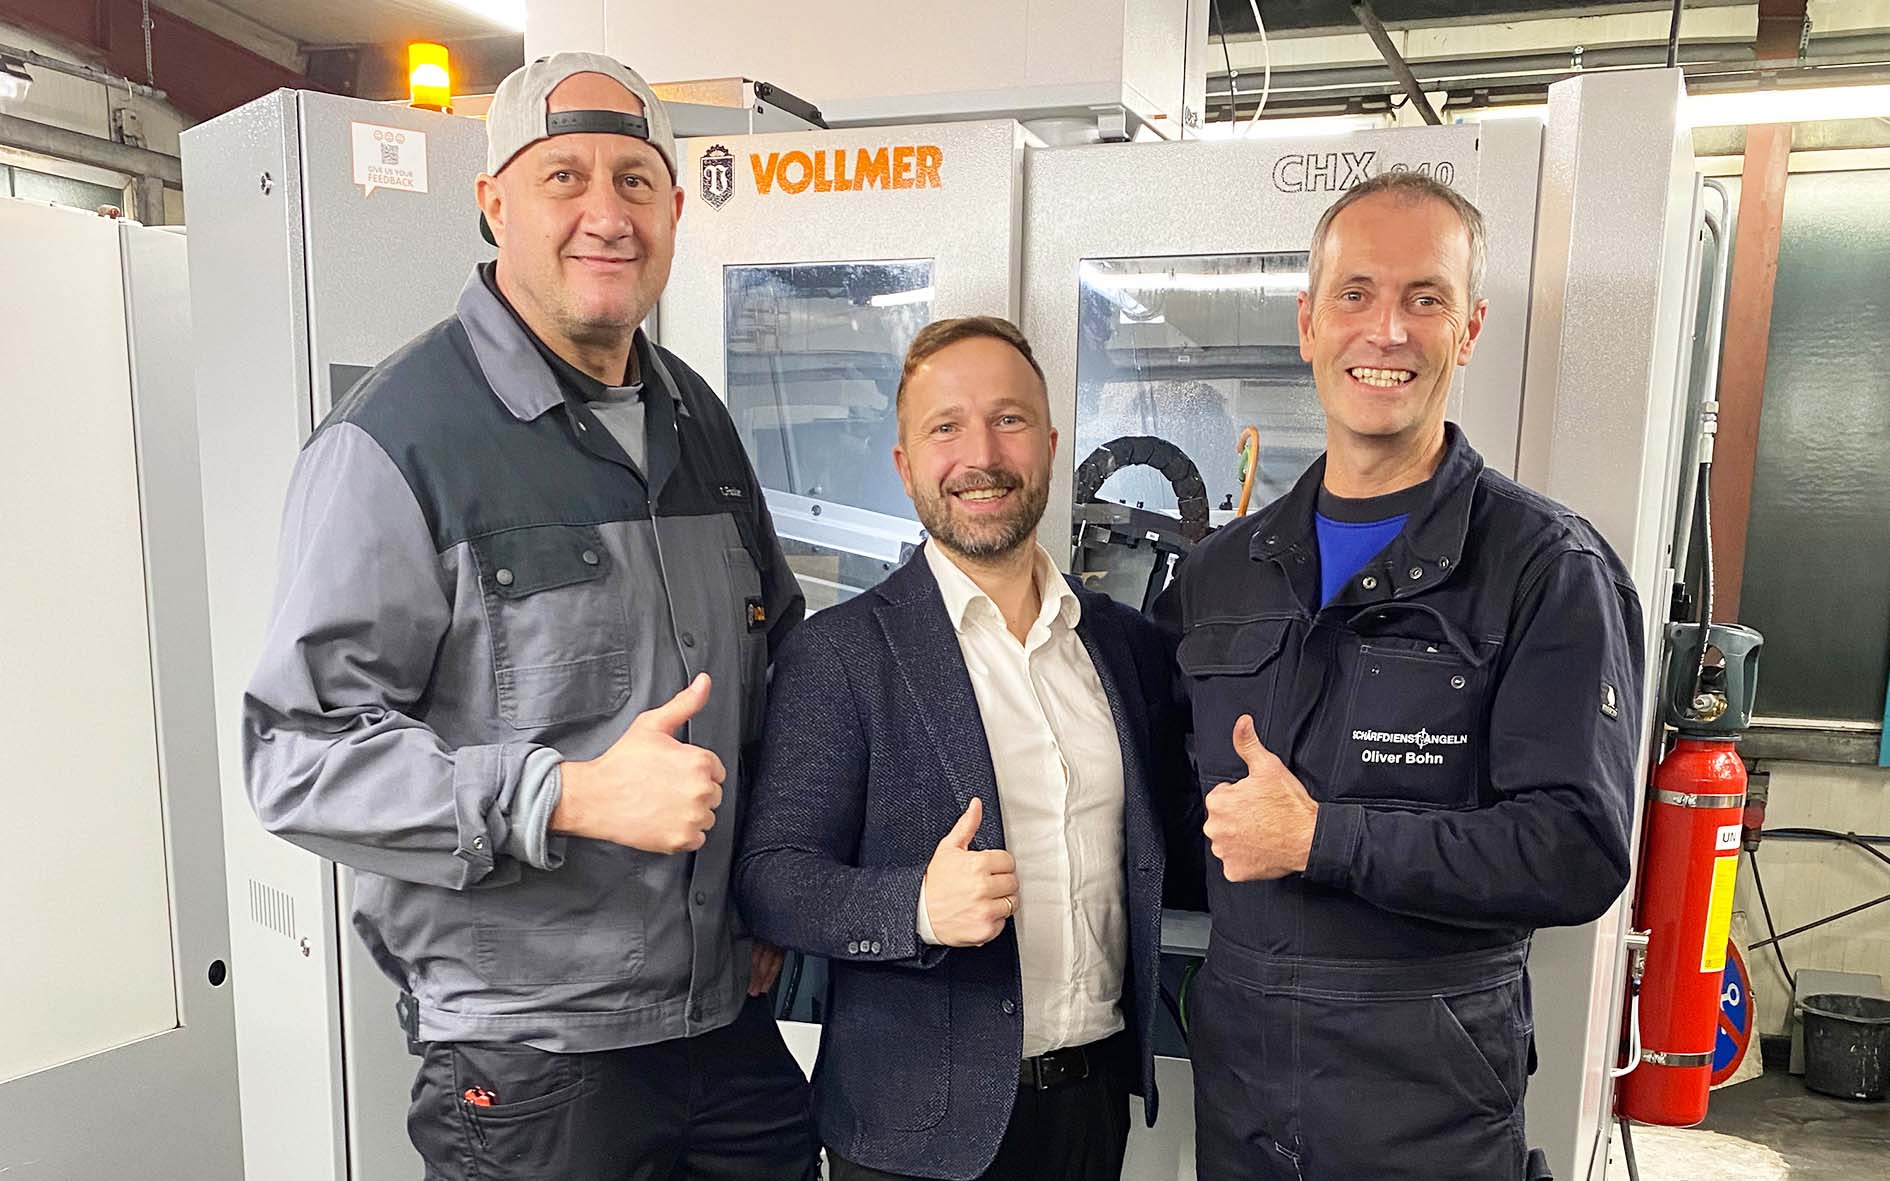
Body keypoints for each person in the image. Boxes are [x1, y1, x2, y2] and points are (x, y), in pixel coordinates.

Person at [242, 52, 815, 1179]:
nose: (606, 214)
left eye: (634, 181)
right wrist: (569, 793)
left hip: (726, 1023)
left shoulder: (697, 419)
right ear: (494, 201)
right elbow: (298, 756)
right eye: (565, 177)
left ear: (674, 208)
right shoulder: (396, 442)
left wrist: (774, 885)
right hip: (533, 1056)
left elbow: (778, 670)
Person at [1156, 171, 1644, 1180]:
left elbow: (1576, 850)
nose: (1386, 330)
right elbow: (1155, 793)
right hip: (1242, 1096)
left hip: (1426, 1106)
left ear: (1469, 330)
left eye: (1425, 298)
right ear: (1309, 323)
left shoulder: (1545, 568)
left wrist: (1322, 837)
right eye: (1356, 294)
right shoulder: (1220, 573)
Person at [735, 316, 1204, 1181]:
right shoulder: (843, 654)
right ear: (906, 465)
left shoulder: (1125, 648)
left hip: (1091, 1111)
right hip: (912, 1138)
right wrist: (914, 905)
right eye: (945, 427)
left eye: (1008, 419)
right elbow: (772, 878)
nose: (980, 455)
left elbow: (1165, 847)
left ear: (1051, 446)